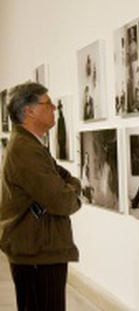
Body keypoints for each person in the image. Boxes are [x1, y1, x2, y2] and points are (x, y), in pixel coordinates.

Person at [0, 82, 82, 311]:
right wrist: (75, 190)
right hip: (37, 251)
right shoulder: (25, 149)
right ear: (30, 111)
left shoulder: (30, 144)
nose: (54, 107)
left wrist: (70, 186)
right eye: (48, 103)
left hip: (38, 247)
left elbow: (64, 177)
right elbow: (62, 201)